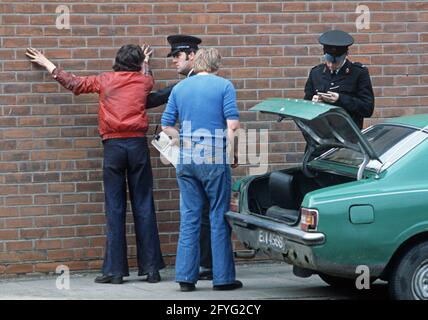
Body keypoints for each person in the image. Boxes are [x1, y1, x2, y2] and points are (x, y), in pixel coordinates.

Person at [26, 45, 165, 284]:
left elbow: (74, 84)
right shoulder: (143, 82)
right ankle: (151, 270)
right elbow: (148, 79)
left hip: (113, 147)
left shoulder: (105, 80)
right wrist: (146, 64)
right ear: (138, 63)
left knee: (115, 207)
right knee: (143, 204)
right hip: (137, 146)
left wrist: (47, 63)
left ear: (117, 61)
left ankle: (115, 271)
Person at [161, 48, 242, 292]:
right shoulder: (224, 86)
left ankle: (186, 278)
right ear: (216, 65)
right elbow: (233, 125)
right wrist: (232, 152)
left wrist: (182, 140)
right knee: (218, 215)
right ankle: (223, 278)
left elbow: (166, 126)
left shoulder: (179, 88)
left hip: (187, 158)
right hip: (214, 155)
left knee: (189, 217)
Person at [147, 35, 214, 281]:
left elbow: (152, 100)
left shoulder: (192, 84)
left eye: (178, 56)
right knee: (203, 211)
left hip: (203, 156)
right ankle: (207, 265)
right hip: (199, 155)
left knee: (201, 212)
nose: (174, 61)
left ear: (193, 55)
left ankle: (206, 266)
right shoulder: (185, 84)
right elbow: (151, 99)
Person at [304, 29, 375, 129]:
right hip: (320, 136)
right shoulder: (316, 72)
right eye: (328, 60)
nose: (331, 65)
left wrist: (340, 99)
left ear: (345, 55)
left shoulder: (358, 73)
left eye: (336, 61)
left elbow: (367, 109)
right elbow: (305, 106)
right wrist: (313, 103)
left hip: (348, 137)